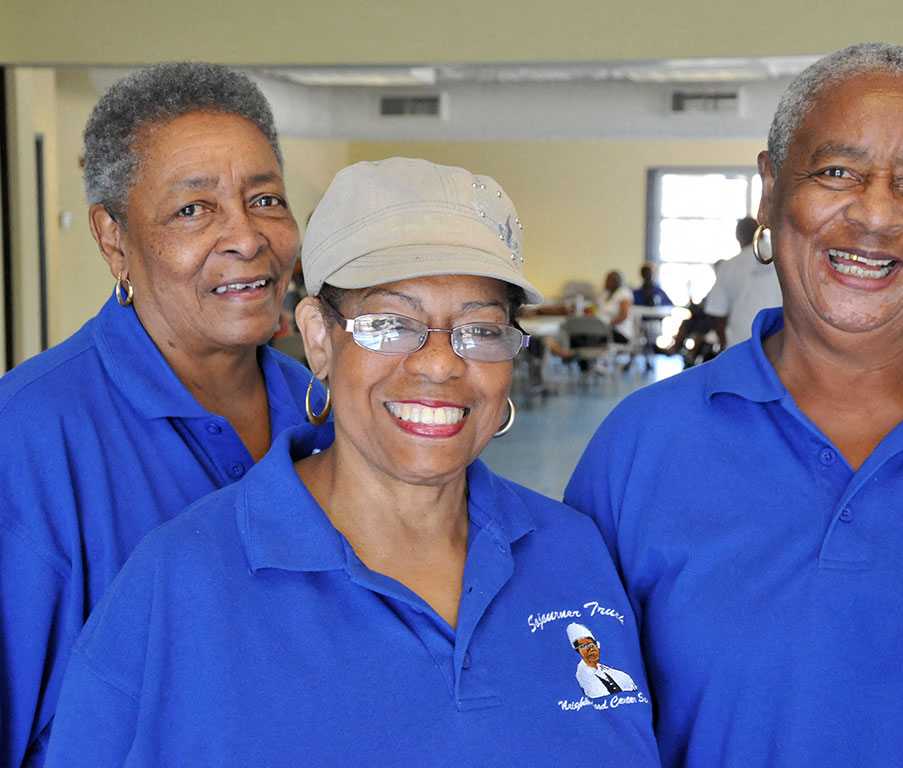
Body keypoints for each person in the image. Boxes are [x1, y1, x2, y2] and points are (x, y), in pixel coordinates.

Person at [45, 158, 659, 765]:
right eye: (390, 323)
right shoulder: (179, 582)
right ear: (318, 339)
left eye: (479, 329)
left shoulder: (574, 552)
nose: (440, 364)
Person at [566, 42, 903, 767]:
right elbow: (580, 726)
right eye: (837, 171)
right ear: (770, 189)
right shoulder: (642, 448)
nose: (877, 215)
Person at [0, 62, 325, 767]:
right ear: (113, 239)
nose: (248, 237)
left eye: (266, 199)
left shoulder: (323, 411)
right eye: (192, 210)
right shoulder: (29, 438)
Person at [703, 216, 783, 349]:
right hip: (781, 343)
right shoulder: (783, 258)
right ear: (761, 232)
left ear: (739, 238)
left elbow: (716, 312)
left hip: (742, 344)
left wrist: (723, 345)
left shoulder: (729, 266)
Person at [566, 623, 640, 699]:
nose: (590, 649)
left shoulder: (617, 674)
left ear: (597, 646)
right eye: (583, 647)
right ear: (578, 651)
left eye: (591, 645)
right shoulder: (580, 676)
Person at [594, 269, 634, 344]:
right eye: (607, 280)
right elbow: (598, 309)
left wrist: (607, 324)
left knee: (591, 336)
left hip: (618, 331)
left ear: (617, 282)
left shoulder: (623, 293)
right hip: (602, 328)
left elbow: (624, 316)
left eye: (611, 280)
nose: (607, 282)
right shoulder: (605, 294)